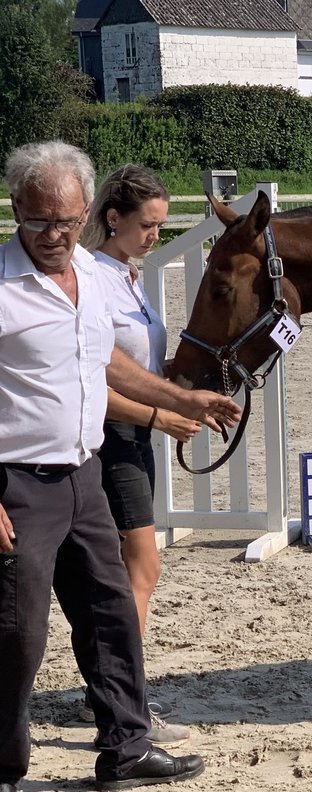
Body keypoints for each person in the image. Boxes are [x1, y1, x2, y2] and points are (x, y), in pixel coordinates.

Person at [0, 140, 241, 792]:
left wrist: (180, 400)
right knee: (17, 635)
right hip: (17, 483)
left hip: (83, 474)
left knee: (110, 617)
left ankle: (125, 747)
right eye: (41, 221)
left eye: (67, 222)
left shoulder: (91, 275)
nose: (55, 236)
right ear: (17, 208)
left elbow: (104, 360)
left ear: (86, 214)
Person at [79, 164, 203, 746]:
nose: (156, 234)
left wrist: (181, 384)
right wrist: (161, 413)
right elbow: (96, 373)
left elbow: (141, 365)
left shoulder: (129, 277)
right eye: (147, 225)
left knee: (126, 573)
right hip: (113, 436)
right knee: (139, 570)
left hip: (134, 434)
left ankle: (112, 694)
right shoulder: (96, 280)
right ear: (113, 219)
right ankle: (123, 701)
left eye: (160, 224)